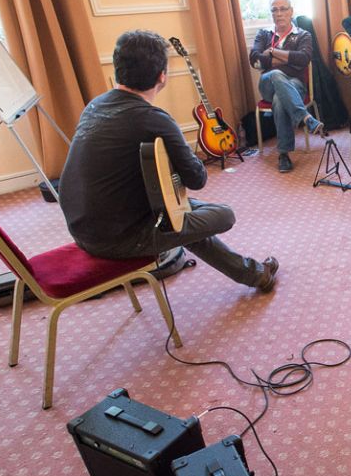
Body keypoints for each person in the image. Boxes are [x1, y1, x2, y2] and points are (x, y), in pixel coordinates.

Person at [60, 30, 278, 292]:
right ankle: (254, 274)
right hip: (120, 238)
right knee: (223, 215)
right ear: (161, 76)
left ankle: (256, 275)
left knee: (178, 213)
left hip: (83, 228)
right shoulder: (154, 119)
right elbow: (197, 179)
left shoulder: (94, 106)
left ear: (117, 69)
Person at [250, 0, 324, 173]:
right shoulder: (263, 34)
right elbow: (255, 59)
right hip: (268, 84)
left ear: (291, 11)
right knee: (276, 74)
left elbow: (303, 59)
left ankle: (283, 154)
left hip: (295, 84)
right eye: (274, 10)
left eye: (283, 9)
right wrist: (287, 60)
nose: (279, 13)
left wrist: (272, 52)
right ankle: (305, 117)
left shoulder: (303, 35)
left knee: (279, 99)